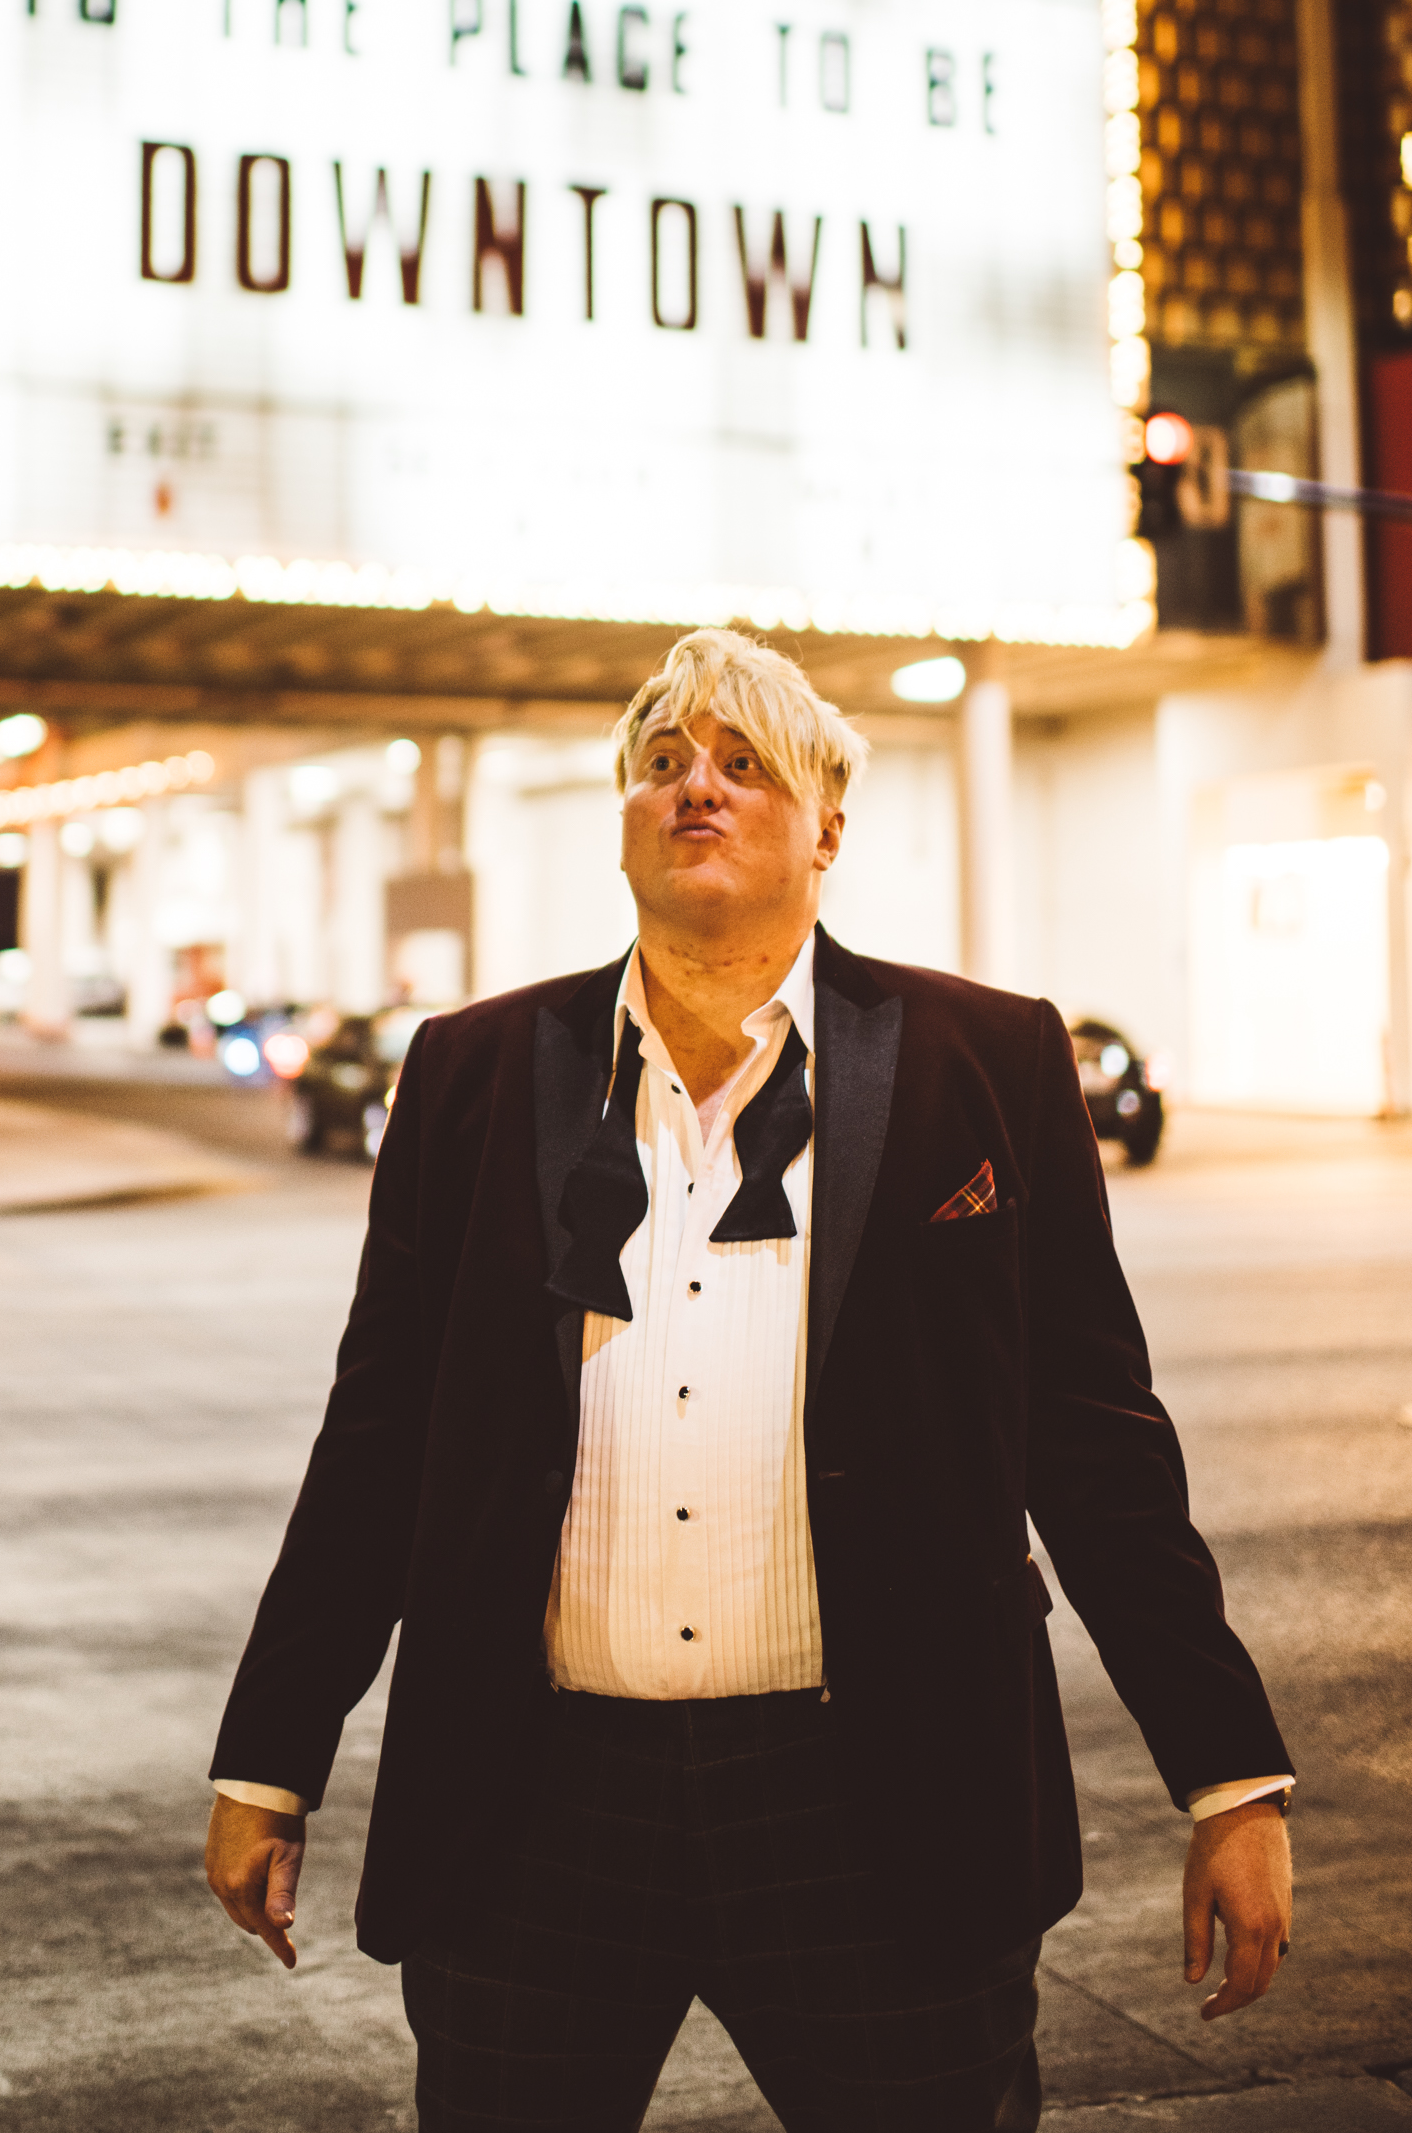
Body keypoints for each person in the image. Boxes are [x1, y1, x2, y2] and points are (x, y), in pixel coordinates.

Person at [206, 626, 1293, 2130]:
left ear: (827, 825)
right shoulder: (471, 1072)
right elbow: (379, 1435)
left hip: (876, 1797)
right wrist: (271, 1757)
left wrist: (1227, 1773)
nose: (693, 790)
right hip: (535, 1800)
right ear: (621, 820)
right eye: (659, 766)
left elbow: (1094, 1441)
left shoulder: (985, 1059)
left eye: (740, 764)